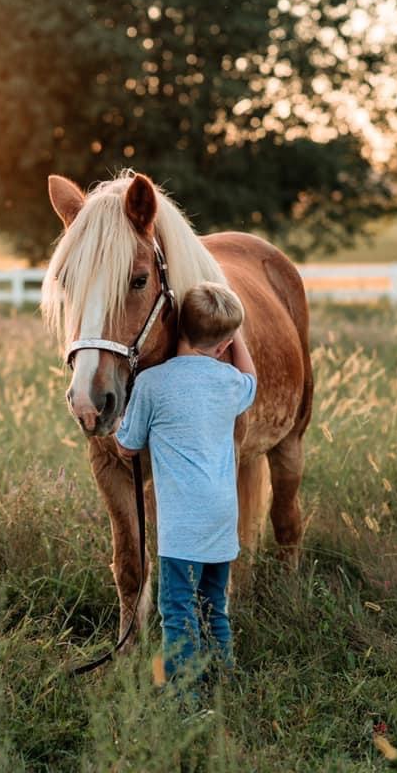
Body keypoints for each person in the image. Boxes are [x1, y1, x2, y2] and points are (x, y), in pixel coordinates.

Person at [115, 281, 257, 687]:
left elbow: (126, 448)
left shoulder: (153, 385)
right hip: (221, 517)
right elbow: (252, 378)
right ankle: (223, 679)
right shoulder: (229, 383)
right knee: (214, 604)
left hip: (182, 526)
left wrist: (112, 428)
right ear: (223, 345)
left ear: (177, 328)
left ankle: (184, 697)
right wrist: (237, 339)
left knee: (176, 609)